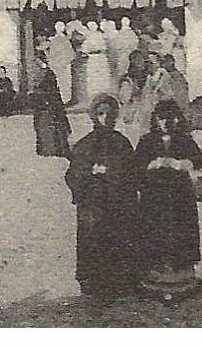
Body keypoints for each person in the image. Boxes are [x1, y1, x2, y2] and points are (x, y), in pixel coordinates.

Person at [65, 94, 140, 302]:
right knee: (94, 238)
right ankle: (93, 283)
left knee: (119, 237)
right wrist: (91, 172)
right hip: (93, 204)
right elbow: (72, 175)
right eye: (100, 114)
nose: (105, 118)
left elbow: (132, 172)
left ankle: (121, 281)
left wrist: (112, 171)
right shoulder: (84, 144)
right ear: (94, 116)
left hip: (118, 202)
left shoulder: (122, 143)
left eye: (109, 114)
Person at [135, 99, 202, 293]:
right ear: (155, 120)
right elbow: (135, 169)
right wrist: (154, 164)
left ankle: (181, 272)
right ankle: (155, 272)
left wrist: (184, 164)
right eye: (162, 118)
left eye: (170, 118)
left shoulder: (184, 140)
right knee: (156, 229)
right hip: (155, 196)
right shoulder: (146, 141)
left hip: (179, 195)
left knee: (180, 229)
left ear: (177, 119)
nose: (166, 123)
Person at [31, 56, 71, 157]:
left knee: (53, 126)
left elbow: (52, 89)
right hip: (42, 104)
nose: (37, 64)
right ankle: (45, 149)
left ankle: (56, 149)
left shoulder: (48, 73)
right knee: (43, 127)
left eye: (38, 62)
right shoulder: (39, 73)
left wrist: (41, 94)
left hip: (50, 103)